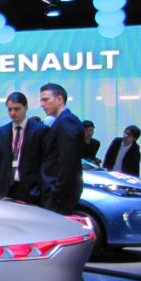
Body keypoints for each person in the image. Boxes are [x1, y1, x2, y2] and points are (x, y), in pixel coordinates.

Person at [0, 92, 47, 204]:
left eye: (16, 109)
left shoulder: (40, 130)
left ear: (26, 107)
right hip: (6, 190)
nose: (13, 113)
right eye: (10, 109)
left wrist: (41, 190)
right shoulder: (2, 132)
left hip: (30, 191)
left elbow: (45, 163)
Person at [39, 83, 83, 215]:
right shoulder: (62, 121)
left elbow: (67, 163)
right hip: (57, 193)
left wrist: (55, 195)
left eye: (45, 100)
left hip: (59, 196)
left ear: (59, 99)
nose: (42, 104)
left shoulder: (67, 122)